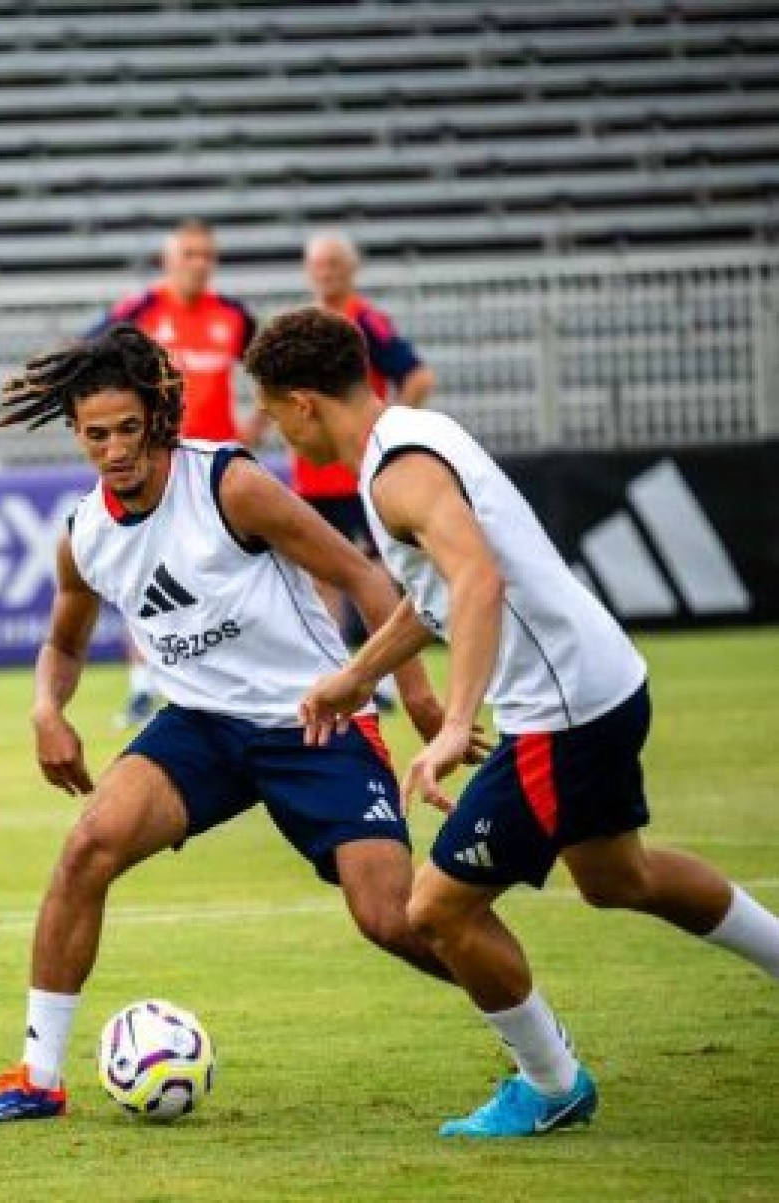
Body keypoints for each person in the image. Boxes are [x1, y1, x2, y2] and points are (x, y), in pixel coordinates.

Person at [243, 306, 779, 1138]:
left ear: (305, 402)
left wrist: (456, 723)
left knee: (434, 910)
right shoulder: (414, 432)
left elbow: (479, 581)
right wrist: (353, 677)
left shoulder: (395, 475)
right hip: (601, 683)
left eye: (274, 414)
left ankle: (551, 1081)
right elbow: (437, 600)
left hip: (558, 714)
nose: (275, 435)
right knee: (617, 878)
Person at [0, 324, 460, 1125]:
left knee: (391, 918)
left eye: (130, 427)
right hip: (201, 726)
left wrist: (420, 695)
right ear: (75, 433)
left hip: (313, 720)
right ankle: (38, 1076)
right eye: (98, 434)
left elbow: (365, 576)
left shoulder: (230, 485)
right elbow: (63, 639)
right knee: (88, 845)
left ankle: (532, 1028)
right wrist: (47, 707)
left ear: (156, 416)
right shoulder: (84, 535)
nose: (116, 448)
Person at [94, 220, 259, 726]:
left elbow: (271, 371)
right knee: (144, 572)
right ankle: (143, 686)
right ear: (168, 260)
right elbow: (91, 359)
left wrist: (255, 425)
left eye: (206, 254)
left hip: (218, 471)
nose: (198, 262)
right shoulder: (139, 311)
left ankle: (226, 682)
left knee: (223, 574)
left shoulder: (233, 316)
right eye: (188, 253)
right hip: (155, 464)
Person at [296, 232, 436, 646]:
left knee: (380, 568)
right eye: (319, 265)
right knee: (322, 572)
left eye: (334, 264)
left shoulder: (365, 319)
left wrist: (388, 429)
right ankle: (335, 660)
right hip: (316, 473)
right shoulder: (304, 323)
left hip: (360, 471)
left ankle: (393, 672)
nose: (326, 273)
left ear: (352, 269)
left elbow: (418, 376)